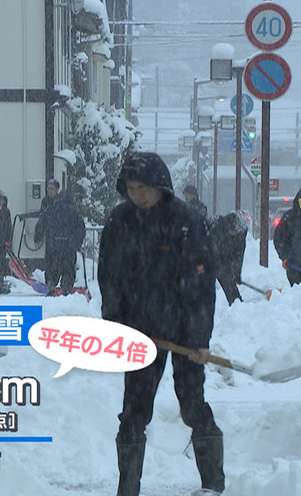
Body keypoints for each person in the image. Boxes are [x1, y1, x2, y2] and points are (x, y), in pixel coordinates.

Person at [98, 151, 224, 496]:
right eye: (131, 187)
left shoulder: (184, 221)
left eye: (144, 187)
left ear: (160, 187)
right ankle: (128, 488)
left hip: (183, 329)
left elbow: (201, 282)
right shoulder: (119, 222)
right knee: (134, 410)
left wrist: (200, 338)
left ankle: (213, 483)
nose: (137, 194)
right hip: (138, 330)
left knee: (192, 402)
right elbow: (109, 276)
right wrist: (115, 322)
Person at [35, 188, 86, 295]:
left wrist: (37, 238)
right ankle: (66, 288)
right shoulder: (73, 212)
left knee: (52, 267)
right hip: (68, 247)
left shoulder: (50, 210)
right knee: (68, 269)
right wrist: (77, 243)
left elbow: (40, 224)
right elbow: (81, 228)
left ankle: (51, 283)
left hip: (52, 246)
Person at [209, 211, 248, 306]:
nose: (234, 234)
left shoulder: (240, 234)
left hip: (225, 258)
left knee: (229, 281)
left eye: (236, 233)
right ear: (228, 227)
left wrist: (236, 274)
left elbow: (239, 255)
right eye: (233, 232)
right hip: (208, 258)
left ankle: (237, 305)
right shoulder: (215, 226)